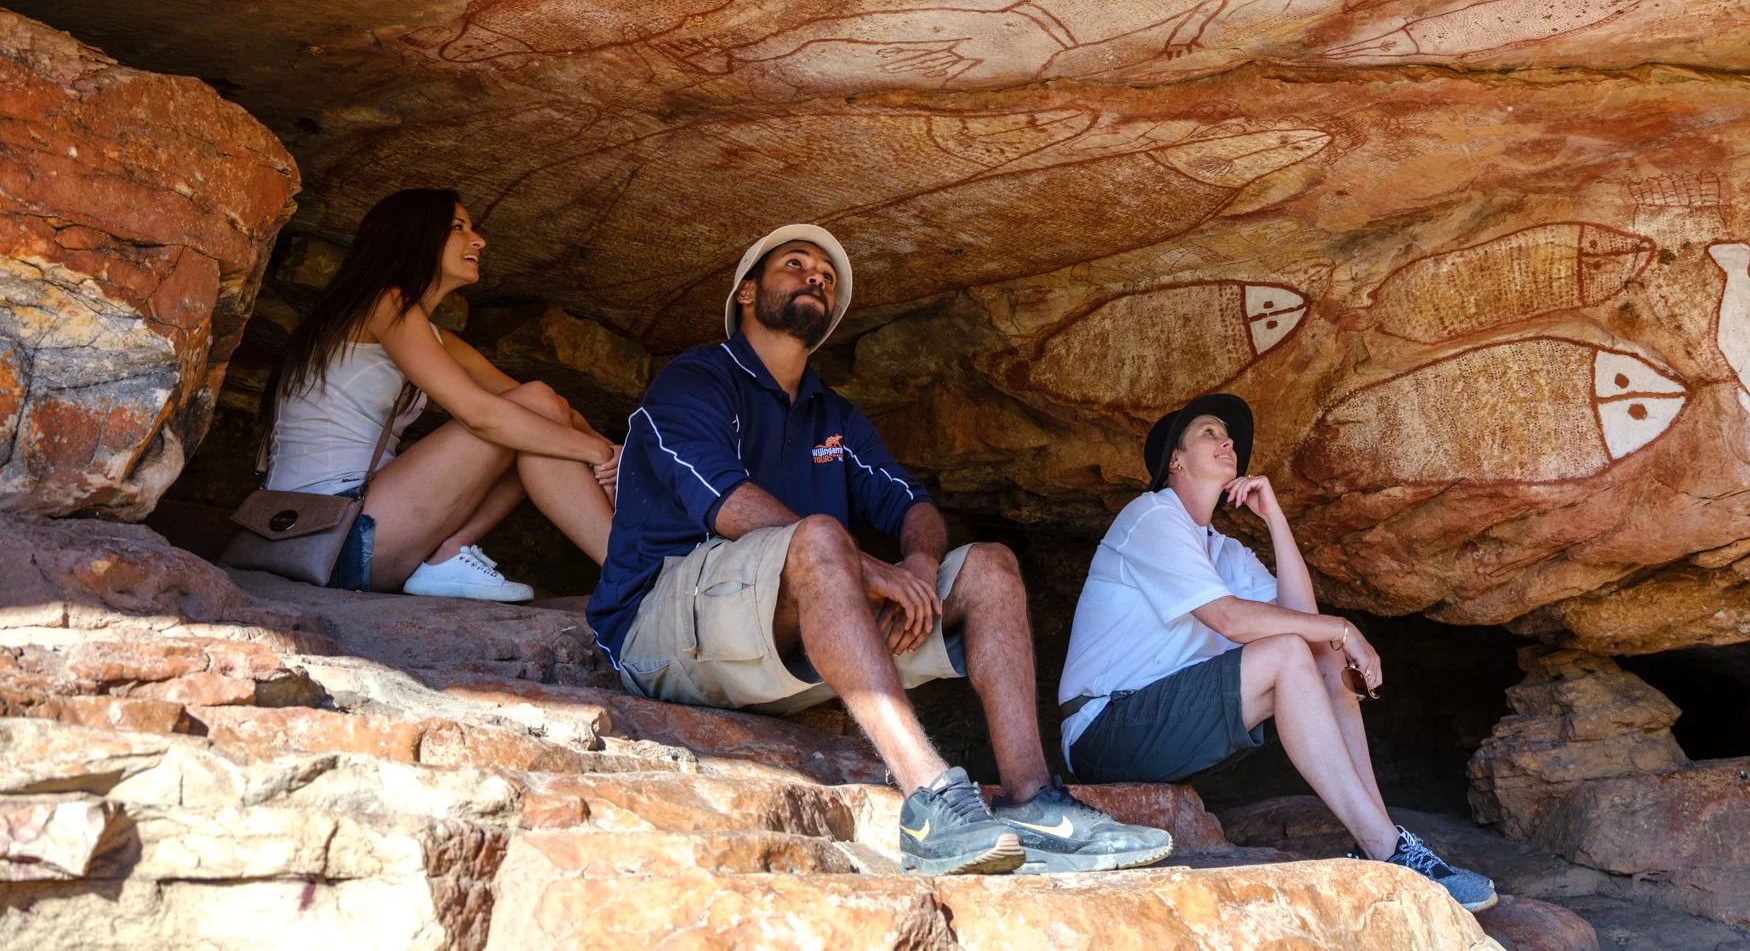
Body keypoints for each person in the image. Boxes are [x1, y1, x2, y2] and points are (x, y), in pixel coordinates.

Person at [585, 223, 1174, 878]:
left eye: (826, 277)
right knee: (822, 538)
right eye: (796, 264)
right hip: (665, 632)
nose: (816, 277)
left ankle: (1033, 801)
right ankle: (929, 803)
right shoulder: (695, 380)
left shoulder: (831, 414)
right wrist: (866, 569)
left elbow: (911, 504)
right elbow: (724, 501)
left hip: (782, 648)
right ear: (747, 293)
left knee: (990, 567)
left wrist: (918, 566)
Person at [1057, 395, 1498, 913]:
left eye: (1227, 434)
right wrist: (1343, 627)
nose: (1227, 441)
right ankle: (1386, 846)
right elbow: (1229, 619)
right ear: (1175, 460)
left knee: (1322, 653)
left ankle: (1382, 839)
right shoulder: (1151, 515)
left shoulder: (1224, 549)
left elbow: (1306, 625)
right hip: (1104, 731)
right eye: (1208, 432)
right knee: (1293, 650)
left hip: (1165, 728)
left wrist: (1275, 518)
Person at [261, 188, 621, 601]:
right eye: (457, 227)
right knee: (530, 413)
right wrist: (596, 454)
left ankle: (450, 554)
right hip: (332, 534)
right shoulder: (384, 302)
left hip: (364, 533)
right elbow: (480, 414)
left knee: (538, 409)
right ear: (414, 235)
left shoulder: (431, 334)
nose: (479, 240)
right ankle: (628, 569)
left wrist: (614, 456)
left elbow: (547, 405)